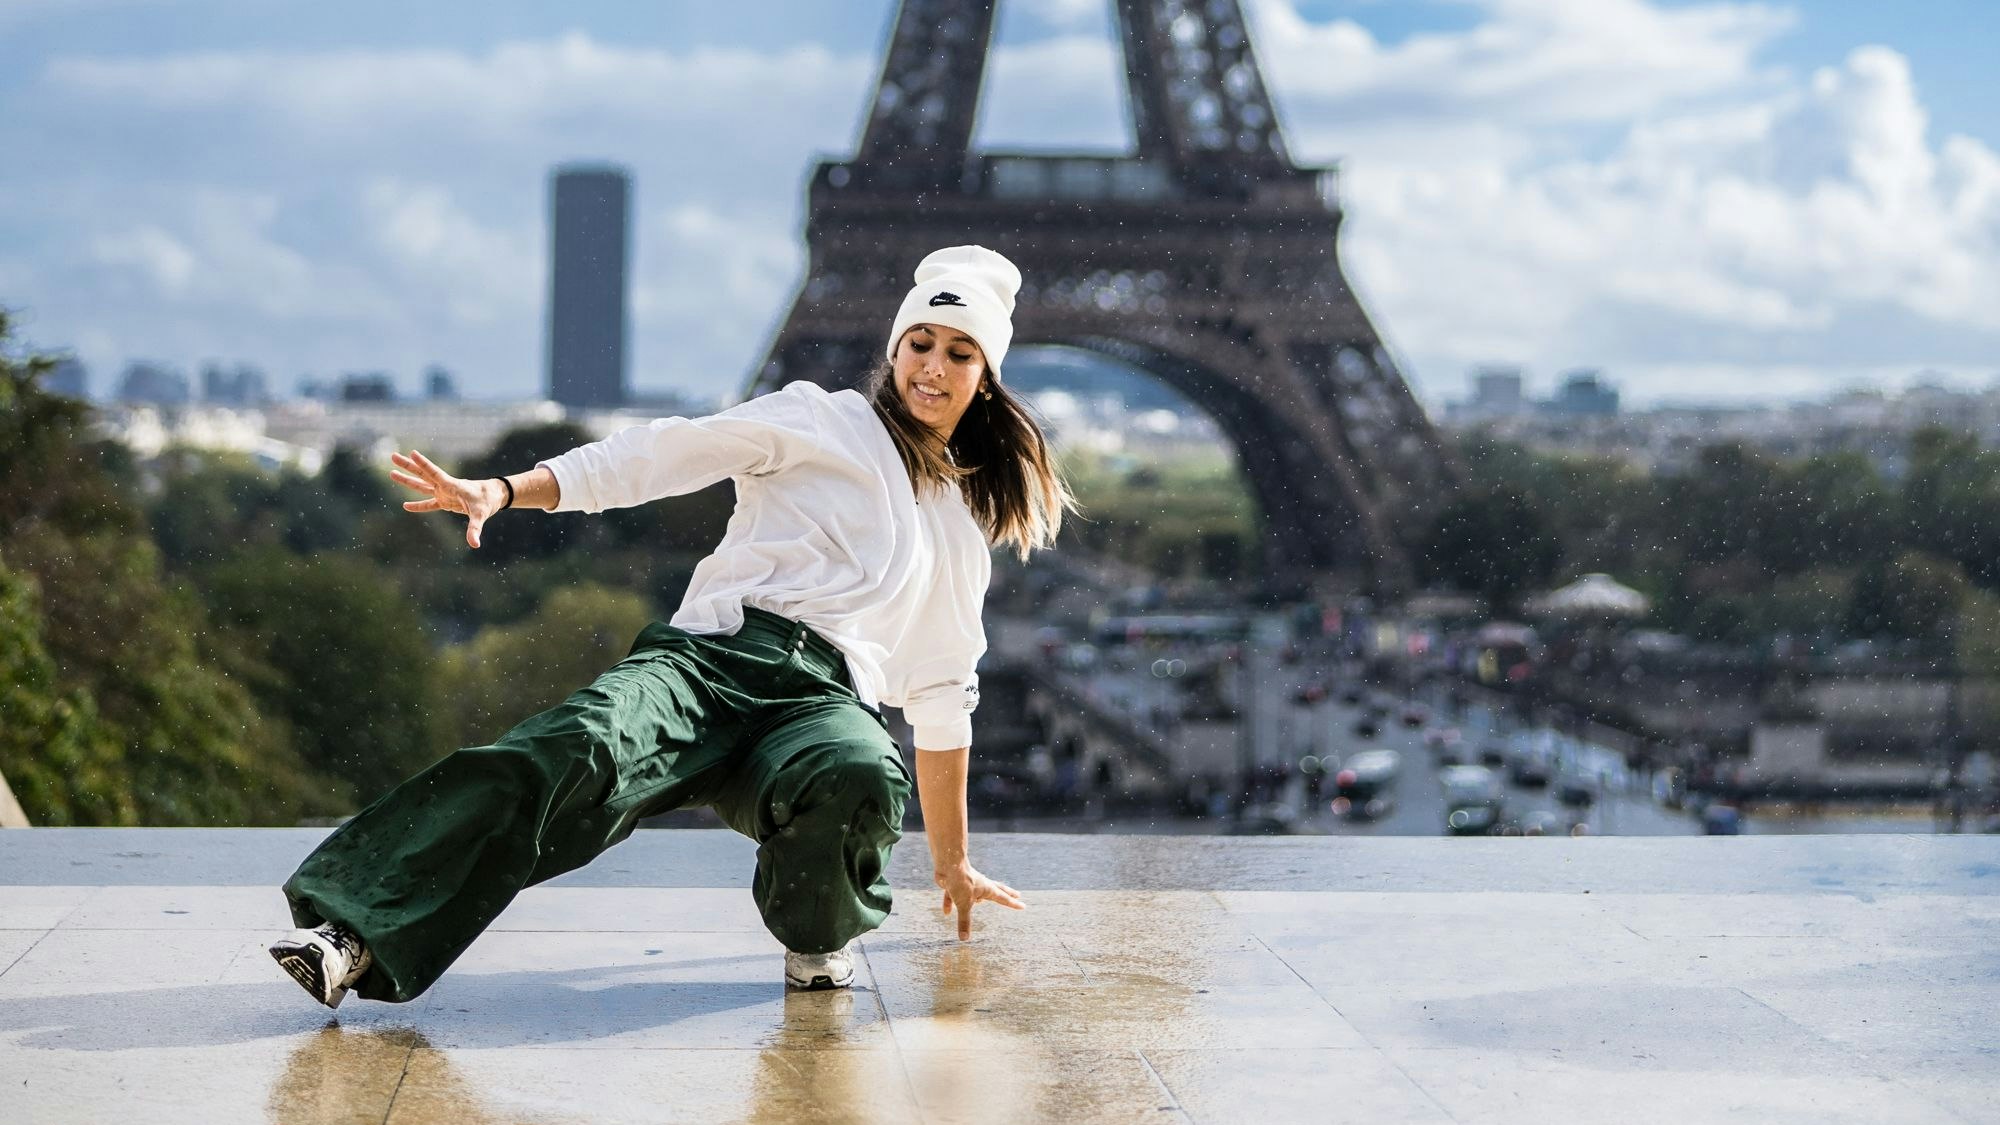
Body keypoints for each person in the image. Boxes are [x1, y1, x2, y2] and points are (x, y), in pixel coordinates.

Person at [269, 245, 1075, 1008]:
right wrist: (510, 491)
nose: (931, 365)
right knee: (573, 746)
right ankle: (357, 930)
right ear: (895, 346)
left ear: (987, 378)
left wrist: (954, 862)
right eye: (920, 341)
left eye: (958, 352)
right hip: (711, 661)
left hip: (819, 702)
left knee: (861, 770)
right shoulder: (818, 420)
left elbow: (941, 696)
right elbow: (662, 454)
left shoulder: (958, 528)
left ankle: (817, 937)